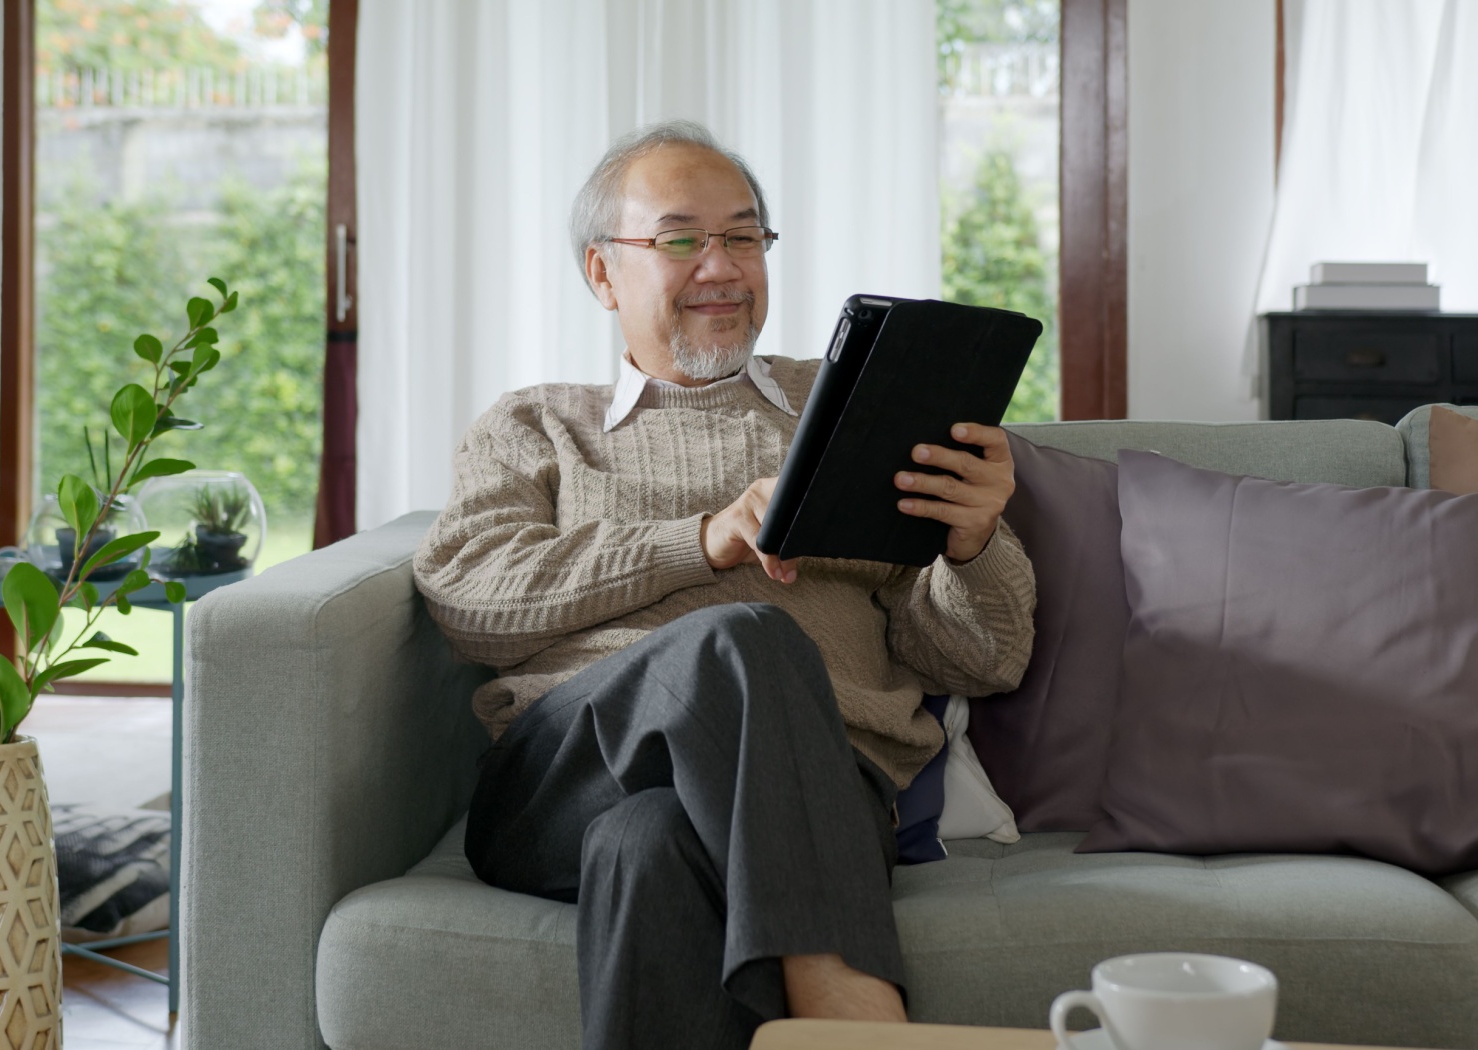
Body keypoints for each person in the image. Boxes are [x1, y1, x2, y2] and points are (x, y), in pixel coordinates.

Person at [414, 119, 1036, 1050]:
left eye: (743, 236)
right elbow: (469, 594)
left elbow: (985, 659)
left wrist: (974, 541)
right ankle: (853, 1009)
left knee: (649, 844)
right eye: (679, 239)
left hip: (824, 788)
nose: (721, 265)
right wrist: (697, 542)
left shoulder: (853, 412)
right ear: (601, 273)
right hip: (562, 779)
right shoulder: (539, 426)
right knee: (740, 637)